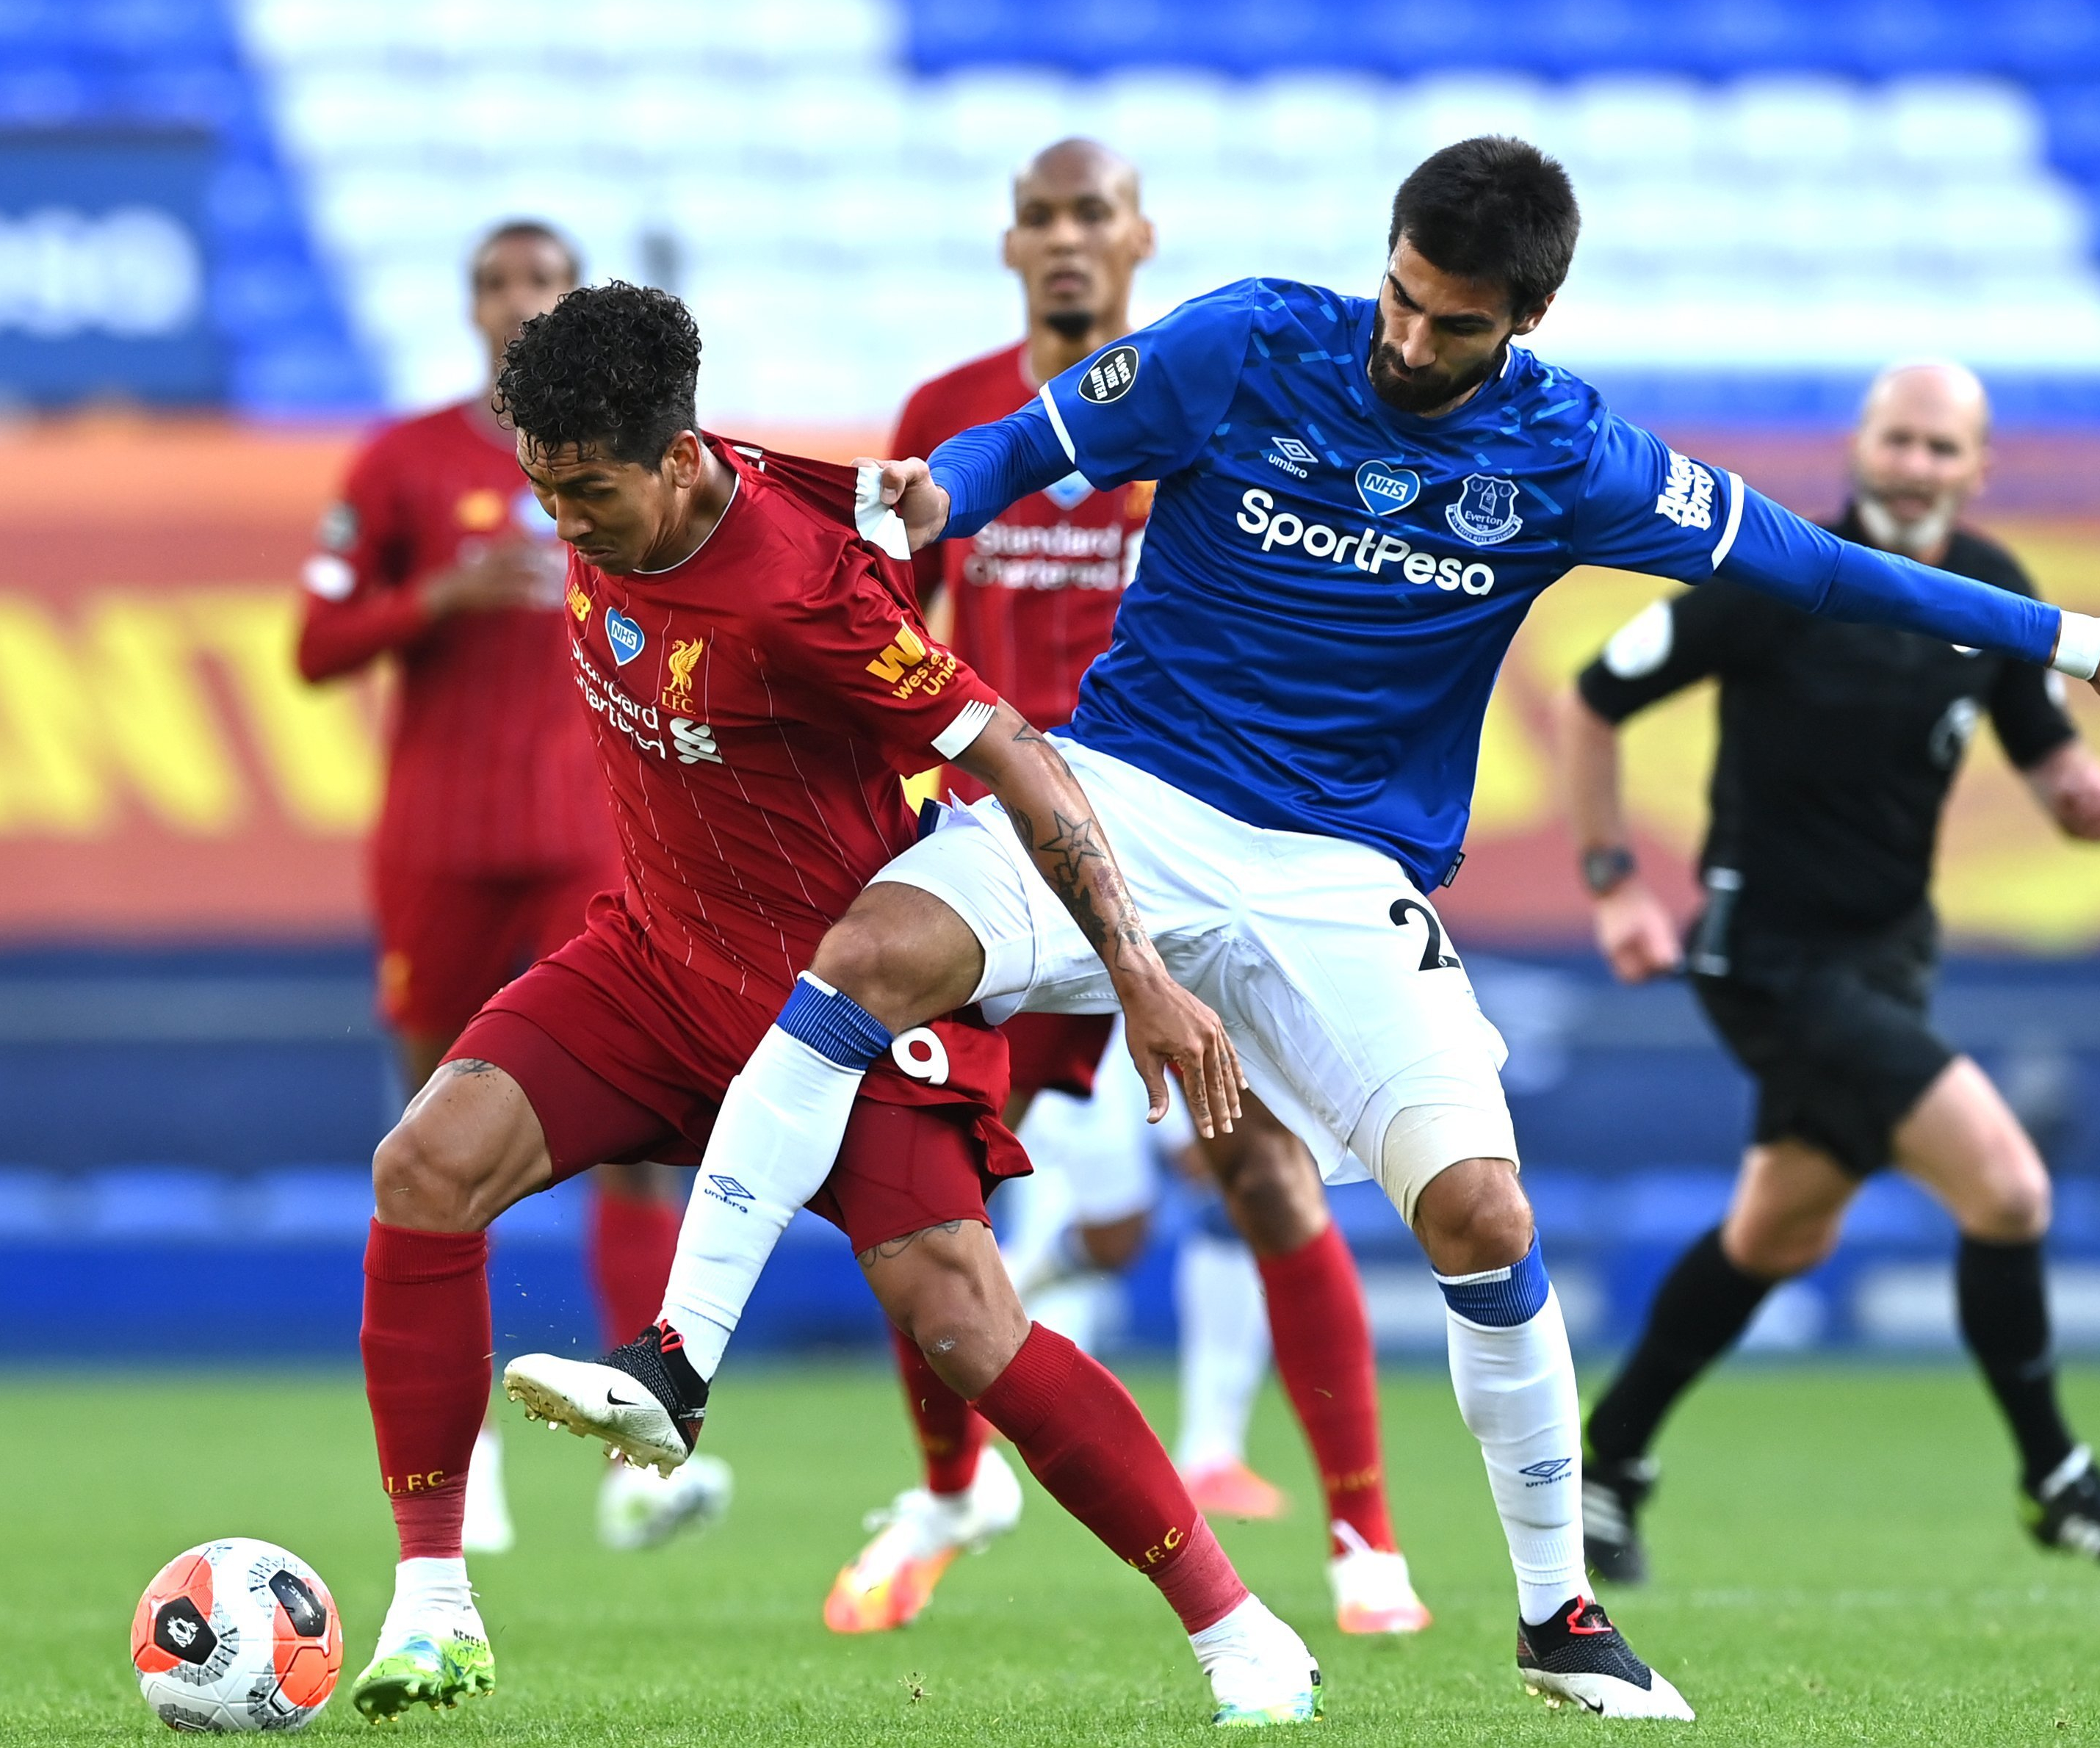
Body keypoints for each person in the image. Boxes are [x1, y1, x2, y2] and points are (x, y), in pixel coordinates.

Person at [545, 137, 2100, 1722]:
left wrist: (2070, 642)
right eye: (1402, 293)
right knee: (860, 955)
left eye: (1455, 321)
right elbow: (1037, 438)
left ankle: (1561, 1612)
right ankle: (681, 1357)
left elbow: (1815, 565)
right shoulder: (1253, 344)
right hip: (1129, 788)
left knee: (1483, 1209)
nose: (1412, 337)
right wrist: (937, 501)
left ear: (1528, 323)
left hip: (1344, 878)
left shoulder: (1569, 455)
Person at [353, 282, 1320, 1728]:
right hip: (654, 965)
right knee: (424, 1166)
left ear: (676, 462)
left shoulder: (801, 593)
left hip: (838, 1009)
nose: (567, 527)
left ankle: (1241, 1631)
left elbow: (1018, 757)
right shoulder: (652, 466)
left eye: (589, 494)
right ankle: (433, 1608)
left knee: (963, 1325)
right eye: (543, 492)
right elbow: (833, 480)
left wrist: (1138, 975)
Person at [820, 137, 1427, 1642]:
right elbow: (890, 628)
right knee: (918, 1191)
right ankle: (953, 1489)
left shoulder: (1217, 399)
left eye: (1096, 212)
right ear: (1010, 244)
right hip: (1005, 871)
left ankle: (1365, 1540)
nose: (1070, 239)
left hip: (1190, 846)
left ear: (1142, 237)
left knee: (1268, 1173)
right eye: (1044, 216)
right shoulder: (952, 423)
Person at [1559, 359, 2100, 1583]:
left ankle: (1610, 1465)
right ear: (1856, 448)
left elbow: (2038, 744)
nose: (1914, 466)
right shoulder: (1776, 575)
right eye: (1896, 441)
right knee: (2006, 1188)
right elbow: (1592, 701)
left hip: (1888, 957)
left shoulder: (1997, 589)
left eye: (1939, 448)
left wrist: (2079, 794)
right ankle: (2056, 1481)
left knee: (1775, 1234)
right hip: (1767, 955)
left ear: (1978, 468)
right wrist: (1610, 881)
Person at [294, 222, 710, 1554]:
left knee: (636, 1146)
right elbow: (314, 643)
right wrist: (435, 597)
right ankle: (465, 1468)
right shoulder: (404, 463)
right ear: (469, 305)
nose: (516, 302)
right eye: (494, 284)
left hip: (590, 844)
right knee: (432, 1140)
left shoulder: (628, 469)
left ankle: (643, 1447)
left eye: (541, 284)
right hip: (437, 843)